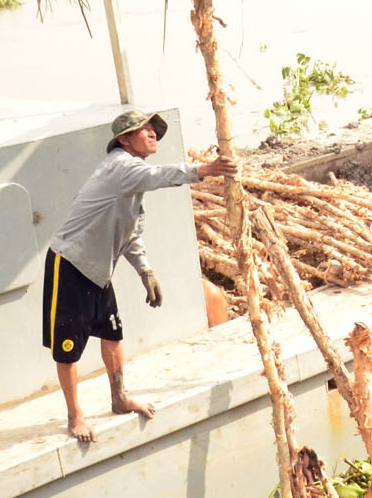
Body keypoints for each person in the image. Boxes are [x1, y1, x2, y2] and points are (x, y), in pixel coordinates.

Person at [44, 109, 237, 442]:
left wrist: (146, 271)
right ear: (124, 139)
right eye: (144, 130)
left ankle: (119, 398)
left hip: (98, 270)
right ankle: (75, 417)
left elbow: (131, 232)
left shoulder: (131, 178)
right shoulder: (121, 167)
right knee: (68, 347)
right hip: (71, 264)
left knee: (112, 334)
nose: (152, 134)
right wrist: (203, 170)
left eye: (153, 130)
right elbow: (160, 175)